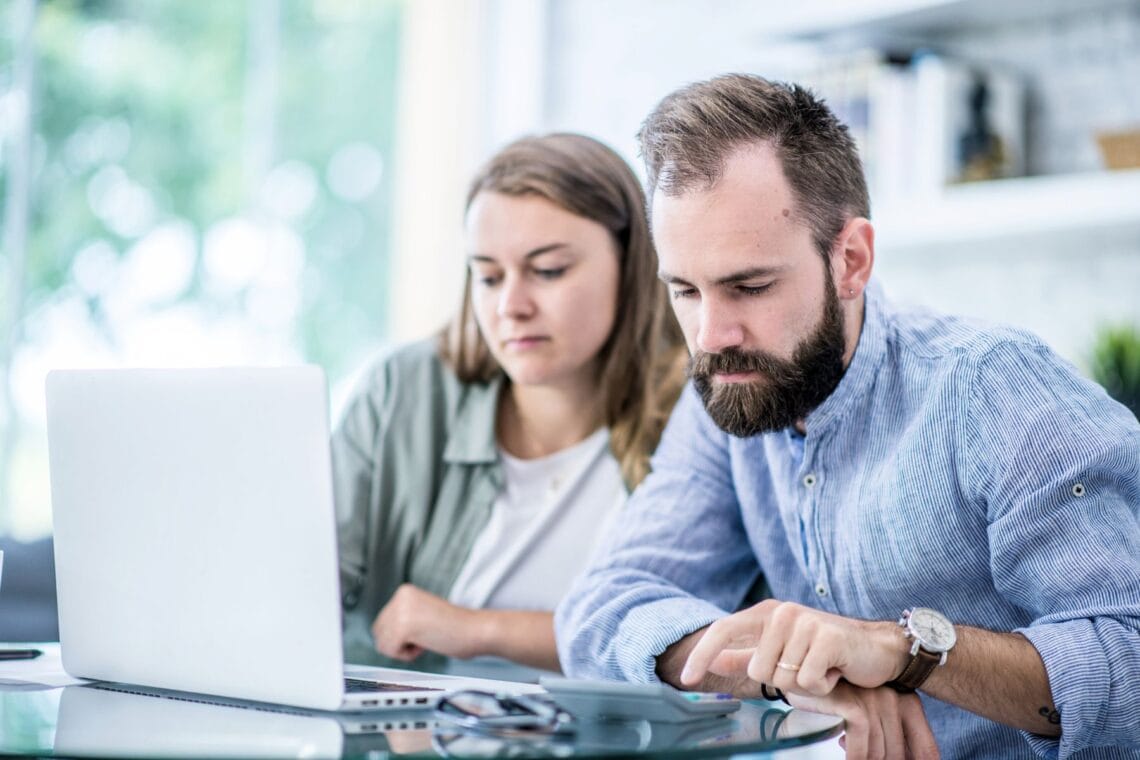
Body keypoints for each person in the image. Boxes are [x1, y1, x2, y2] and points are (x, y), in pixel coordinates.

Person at [555, 74, 1140, 759]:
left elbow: (1128, 660)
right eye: (685, 290)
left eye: (750, 286)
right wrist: (787, 673)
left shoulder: (992, 387)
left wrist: (902, 652)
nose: (712, 333)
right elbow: (599, 611)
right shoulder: (729, 389)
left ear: (851, 261)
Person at [334, 133, 686, 672]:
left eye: (548, 271)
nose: (511, 307)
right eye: (489, 276)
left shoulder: (697, 419)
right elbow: (303, 585)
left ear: (633, 265)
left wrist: (477, 629)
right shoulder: (401, 392)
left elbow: (708, 635)